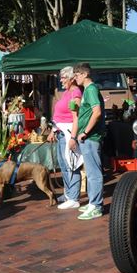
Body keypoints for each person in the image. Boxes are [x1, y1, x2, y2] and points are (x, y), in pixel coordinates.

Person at [72, 62, 105, 220]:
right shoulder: (88, 90)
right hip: (88, 137)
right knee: (91, 172)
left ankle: (96, 206)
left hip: (91, 137)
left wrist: (85, 132)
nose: (75, 78)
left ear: (85, 74)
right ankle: (93, 202)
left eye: (77, 75)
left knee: (93, 173)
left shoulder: (91, 89)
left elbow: (96, 112)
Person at [47, 66, 83, 210]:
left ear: (71, 78)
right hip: (60, 132)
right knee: (64, 165)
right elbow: (59, 115)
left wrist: (73, 137)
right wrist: (53, 130)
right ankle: (68, 194)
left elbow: (77, 116)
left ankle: (74, 198)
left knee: (71, 164)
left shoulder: (76, 93)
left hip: (68, 133)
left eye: (63, 77)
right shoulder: (67, 92)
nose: (61, 80)